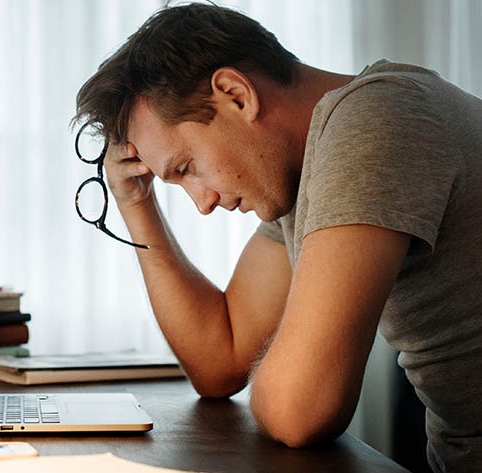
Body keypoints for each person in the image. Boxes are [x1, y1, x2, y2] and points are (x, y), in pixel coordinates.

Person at [72, 4, 482, 472]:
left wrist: (287, 374)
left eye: (186, 168)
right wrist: (136, 203)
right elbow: (220, 362)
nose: (202, 202)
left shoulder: (378, 121)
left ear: (235, 94)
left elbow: (300, 410)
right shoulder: (306, 171)